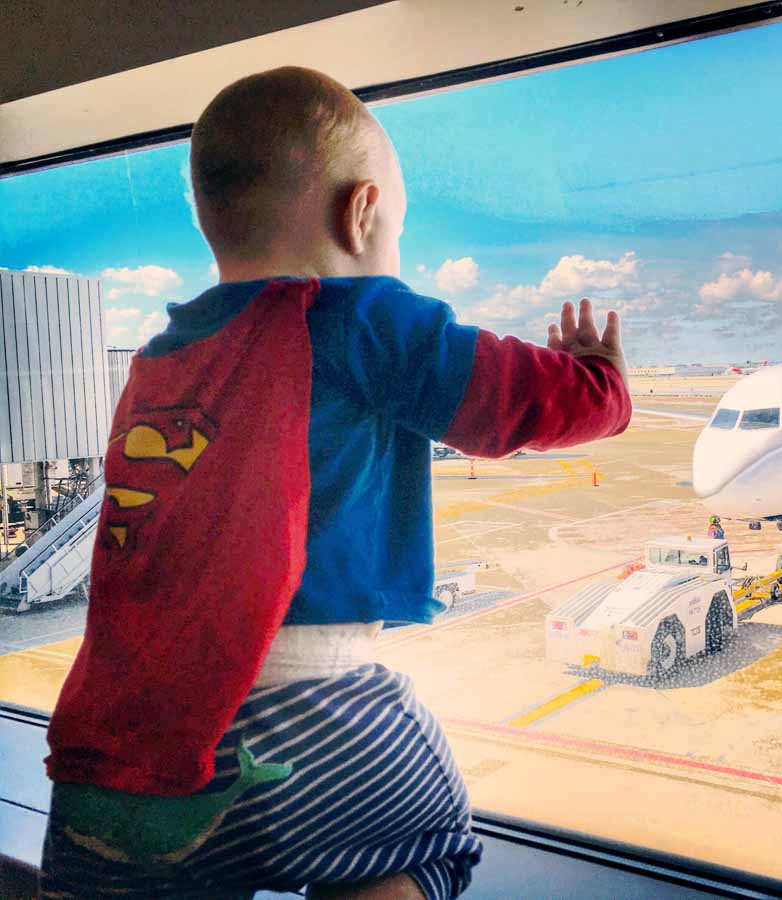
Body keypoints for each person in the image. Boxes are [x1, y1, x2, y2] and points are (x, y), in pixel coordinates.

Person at [40, 67, 631, 900]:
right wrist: (601, 382)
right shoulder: (358, 318)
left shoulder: (158, 359)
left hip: (114, 737)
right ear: (360, 215)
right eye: (395, 233)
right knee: (428, 843)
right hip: (301, 708)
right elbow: (512, 405)